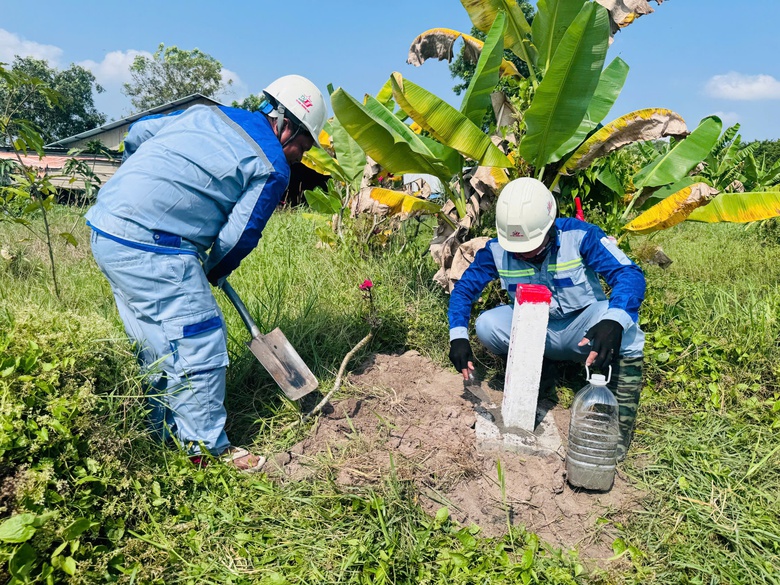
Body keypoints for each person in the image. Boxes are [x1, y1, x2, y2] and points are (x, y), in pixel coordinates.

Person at [85, 75, 327, 471]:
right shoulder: (272, 165)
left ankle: (162, 433)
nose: (302, 155)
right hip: (154, 248)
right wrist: (212, 271)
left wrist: (141, 184)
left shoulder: (206, 113)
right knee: (199, 337)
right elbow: (239, 237)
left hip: (106, 228)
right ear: (287, 126)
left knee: (156, 341)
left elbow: (139, 133)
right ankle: (206, 450)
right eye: (304, 145)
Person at [448, 178, 645, 460]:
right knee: (487, 325)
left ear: (551, 225)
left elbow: (629, 274)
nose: (524, 253)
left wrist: (613, 321)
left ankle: (616, 422)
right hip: (535, 333)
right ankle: (541, 369)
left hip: (584, 331)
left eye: (532, 244)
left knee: (626, 326)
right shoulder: (496, 250)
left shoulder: (581, 235)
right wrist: (458, 336)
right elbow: (464, 291)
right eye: (518, 247)